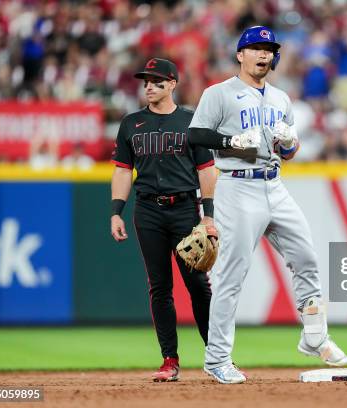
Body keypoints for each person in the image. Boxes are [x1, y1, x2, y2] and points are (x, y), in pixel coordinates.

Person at [188, 26, 347, 384]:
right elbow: (195, 135)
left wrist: (290, 144)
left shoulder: (281, 98)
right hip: (236, 187)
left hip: (274, 184)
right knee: (231, 274)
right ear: (240, 55)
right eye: (256, 48)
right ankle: (217, 359)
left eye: (268, 49)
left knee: (306, 258)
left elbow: (289, 152)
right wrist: (230, 140)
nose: (263, 54)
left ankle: (314, 337)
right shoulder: (219, 93)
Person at [110, 58, 216, 382]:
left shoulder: (191, 120)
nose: (149, 87)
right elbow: (123, 171)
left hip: (185, 209)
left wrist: (208, 217)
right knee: (160, 287)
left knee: (198, 284)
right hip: (148, 211)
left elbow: (207, 171)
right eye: (146, 82)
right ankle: (170, 360)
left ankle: (218, 356)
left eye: (156, 81)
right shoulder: (131, 123)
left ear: (172, 84)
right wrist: (116, 211)